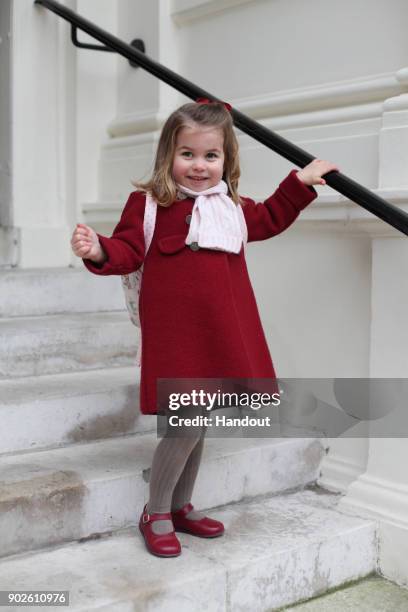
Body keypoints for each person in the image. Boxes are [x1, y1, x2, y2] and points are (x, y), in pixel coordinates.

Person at [70, 99, 339, 558]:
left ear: (226, 160)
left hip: (221, 331)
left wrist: (299, 183)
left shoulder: (231, 206)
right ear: (167, 156)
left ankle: (178, 506)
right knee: (185, 420)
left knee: (199, 418)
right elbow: (129, 249)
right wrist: (98, 249)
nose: (198, 166)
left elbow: (272, 216)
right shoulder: (150, 204)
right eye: (187, 154)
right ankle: (155, 512)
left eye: (210, 156)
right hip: (177, 335)